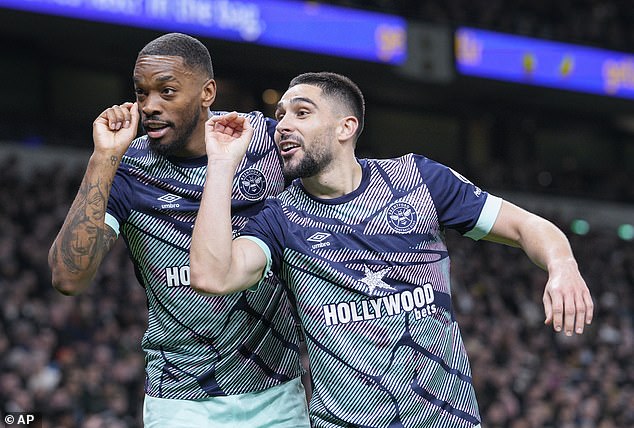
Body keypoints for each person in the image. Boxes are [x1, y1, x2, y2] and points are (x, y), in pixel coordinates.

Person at [189, 71, 595, 428]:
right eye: (280, 116)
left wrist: (562, 265)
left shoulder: (417, 179)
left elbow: (527, 226)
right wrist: (222, 166)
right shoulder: (279, 217)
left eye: (301, 112)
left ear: (345, 127)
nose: (283, 125)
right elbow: (212, 276)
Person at [48, 33, 310, 427]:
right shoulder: (128, 169)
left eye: (167, 91)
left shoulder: (260, 142)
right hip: (180, 401)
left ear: (207, 93)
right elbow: (68, 277)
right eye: (141, 93)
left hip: (277, 392)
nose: (150, 106)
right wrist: (103, 158)